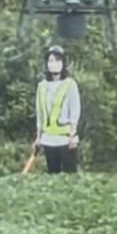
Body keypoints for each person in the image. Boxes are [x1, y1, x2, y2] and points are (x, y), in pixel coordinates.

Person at [35, 44, 80, 173]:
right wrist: (38, 137)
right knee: (53, 180)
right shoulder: (41, 87)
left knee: (70, 180)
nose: (54, 63)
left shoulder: (70, 84)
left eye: (57, 60)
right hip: (48, 141)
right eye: (51, 60)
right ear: (47, 64)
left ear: (63, 63)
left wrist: (73, 134)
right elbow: (40, 114)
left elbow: (75, 112)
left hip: (66, 141)